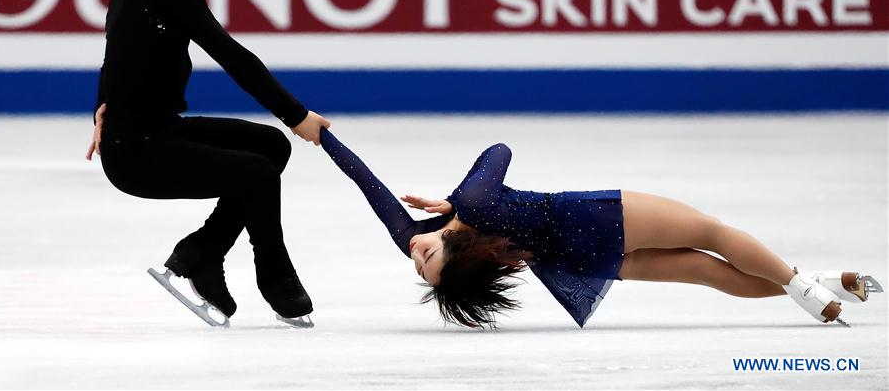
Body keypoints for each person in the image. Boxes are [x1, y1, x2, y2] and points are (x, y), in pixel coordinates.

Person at [319, 128, 882, 329]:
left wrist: (324, 139)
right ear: (461, 249)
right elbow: (499, 148)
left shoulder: (416, 235)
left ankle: (819, 284)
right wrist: (457, 199)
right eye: (427, 261)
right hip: (594, 218)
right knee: (711, 233)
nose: (413, 252)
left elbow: (367, 183)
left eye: (416, 260)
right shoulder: (476, 206)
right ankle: (804, 288)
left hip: (588, 262)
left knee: (707, 275)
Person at [85, 0, 330, 327]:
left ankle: (201, 253)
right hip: (138, 153)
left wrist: (101, 108)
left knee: (269, 147)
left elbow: (114, 57)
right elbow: (234, 58)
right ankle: (275, 279)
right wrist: (298, 116)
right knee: (257, 172)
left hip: (152, 133)